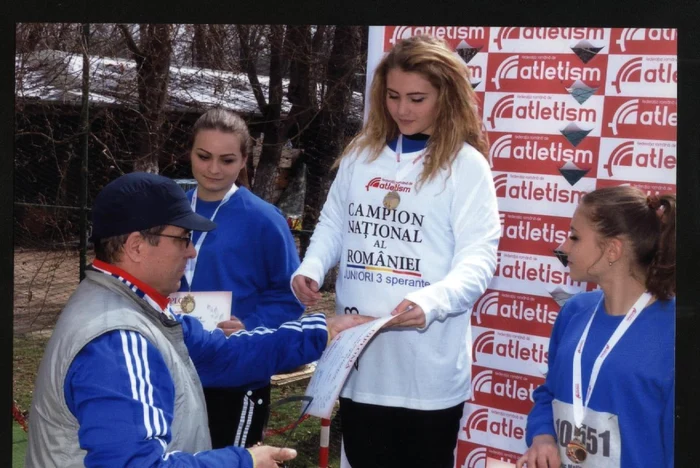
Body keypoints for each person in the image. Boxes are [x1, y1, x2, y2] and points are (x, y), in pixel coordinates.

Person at [26, 172, 372, 468]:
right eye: (182, 239)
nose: (191, 251)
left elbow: (220, 354)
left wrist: (320, 332)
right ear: (135, 246)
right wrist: (243, 461)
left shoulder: (135, 307)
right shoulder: (119, 338)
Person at [291, 35, 501, 468]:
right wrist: (311, 267)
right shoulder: (361, 154)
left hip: (428, 373)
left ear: (447, 96)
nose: (402, 109)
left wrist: (429, 301)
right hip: (361, 363)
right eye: (392, 96)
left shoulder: (465, 166)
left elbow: (479, 259)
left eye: (417, 98)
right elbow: (334, 222)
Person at [517, 186, 675, 468]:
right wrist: (542, 437)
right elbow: (549, 393)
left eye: (575, 237)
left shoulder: (674, 333)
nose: (564, 248)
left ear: (612, 250)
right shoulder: (574, 311)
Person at [177, 108, 305, 449]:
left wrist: (250, 325)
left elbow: (289, 295)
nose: (214, 169)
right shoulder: (171, 212)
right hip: (175, 368)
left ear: (244, 160)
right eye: (203, 156)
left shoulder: (264, 220)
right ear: (189, 152)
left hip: (236, 371)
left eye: (227, 159)